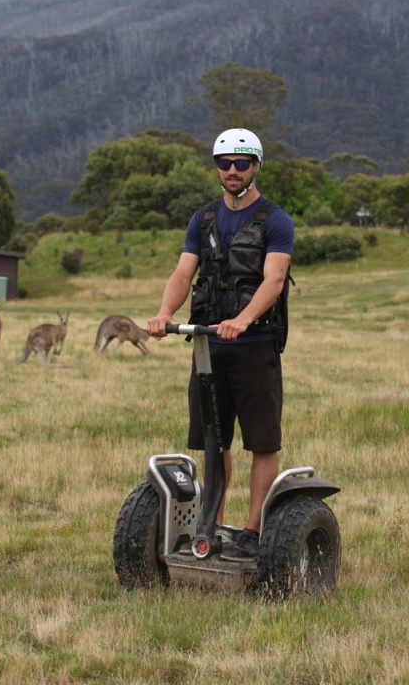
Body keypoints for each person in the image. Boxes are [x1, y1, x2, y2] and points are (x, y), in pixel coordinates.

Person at [147, 128, 294, 559]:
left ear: (255, 166)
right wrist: (165, 313)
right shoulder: (203, 219)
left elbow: (275, 279)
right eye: (224, 163)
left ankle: (252, 530)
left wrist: (243, 320)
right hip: (208, 343)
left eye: (241, 163)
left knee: (262, 441)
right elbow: (183, 273)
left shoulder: (275, 220)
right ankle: (212, 526)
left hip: (255, 343)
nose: (232, 170)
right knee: (213, 440)